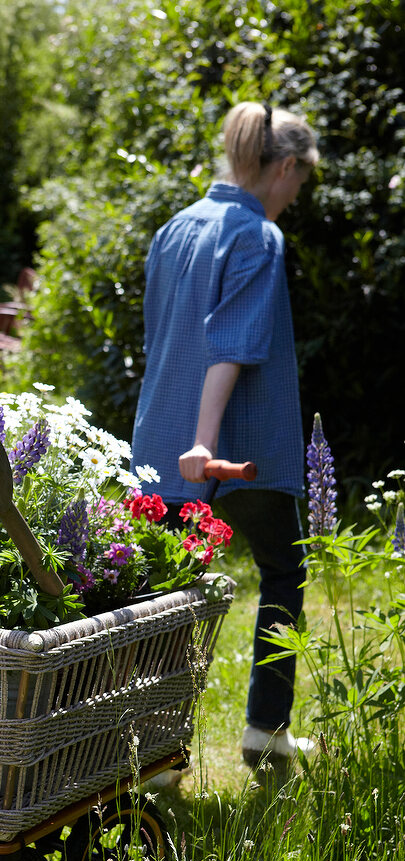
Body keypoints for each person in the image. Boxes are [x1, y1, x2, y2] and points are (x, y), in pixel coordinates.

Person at [131, 101, 319, 769]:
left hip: (159, 441)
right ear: (286, 166)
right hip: (236, 453)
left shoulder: (174, 227)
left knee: (164, 597)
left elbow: (162, 342)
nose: (294, 196)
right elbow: (230, 347)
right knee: (282, 571)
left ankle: (151, 753)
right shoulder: (255, 235)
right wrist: (206, 448)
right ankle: (265, 732)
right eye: (300, 181)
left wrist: (180, 447)